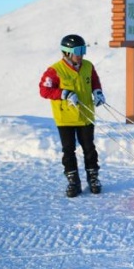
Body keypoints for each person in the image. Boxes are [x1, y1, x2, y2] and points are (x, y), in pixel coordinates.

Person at [39, 34, 106, 197]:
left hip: (86, 116)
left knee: (89, 148)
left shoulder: (88, 66)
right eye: (78, 50)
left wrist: (97, 92)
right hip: (65, 119)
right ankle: (73, 181)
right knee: (69, 150)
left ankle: (93, 178)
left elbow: (94, 81)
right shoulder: (54, 70)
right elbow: (44, 90)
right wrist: (64, 93)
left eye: (83, 50)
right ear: (67, 52)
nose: (81, 54)